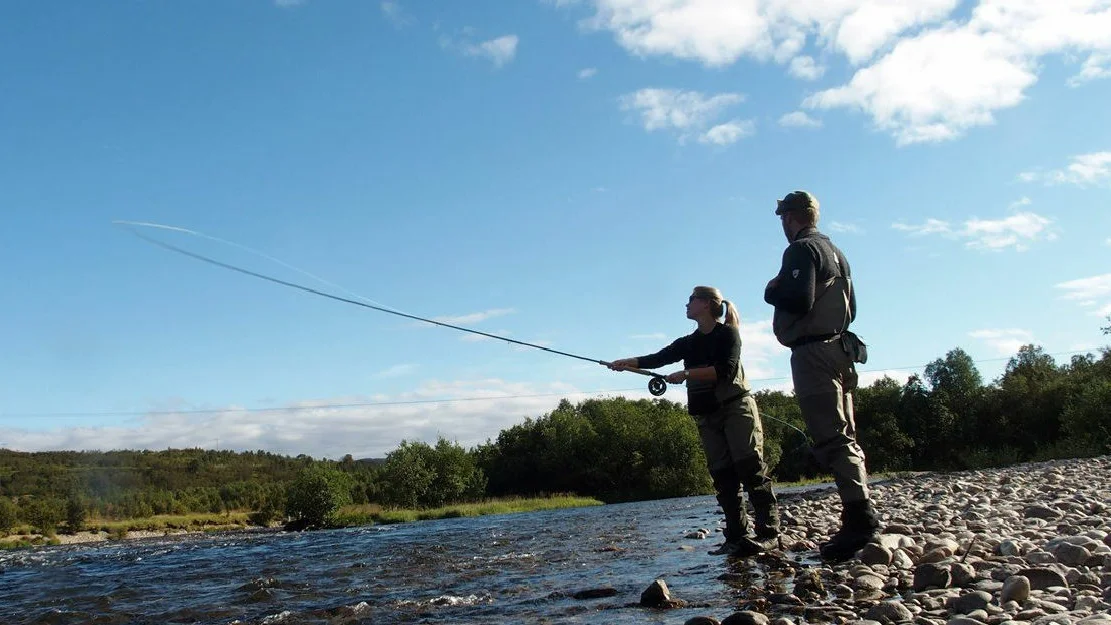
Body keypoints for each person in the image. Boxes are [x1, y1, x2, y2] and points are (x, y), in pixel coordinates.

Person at [608, 286, 779, 557]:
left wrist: (687, 373)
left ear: (708, 304)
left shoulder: (728, 334)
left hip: (735, 408)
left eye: (691, 300)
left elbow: (726, 370)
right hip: (706, 414)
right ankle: (736, 537)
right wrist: (626, 363)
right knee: (723, 476)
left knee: (750, 469)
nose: (686, 304)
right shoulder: (688, 342)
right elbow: (658, 358)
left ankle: (769, 534)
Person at [763, 190, 880, 562]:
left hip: (814, 353)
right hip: (840, 350)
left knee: (831, 437)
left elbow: (798, 300)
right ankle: (859, 511)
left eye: (783, 217)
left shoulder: (801, 250)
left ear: (791, 218)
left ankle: (860, 520)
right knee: (846, 435)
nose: (782, 223)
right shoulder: (837, 252)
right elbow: (854, 308)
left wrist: (771, 292)